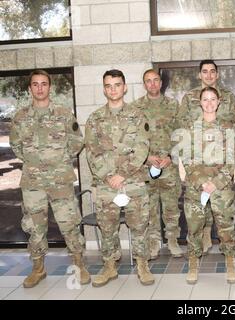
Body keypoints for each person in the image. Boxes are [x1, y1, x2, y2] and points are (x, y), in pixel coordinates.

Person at [10, 69, 89, 288]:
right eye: (35, 84)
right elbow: (16, 145)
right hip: (33, 182)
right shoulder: (20, 117)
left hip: (60, 180)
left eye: (44, 84)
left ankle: (79, 264)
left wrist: (61, 159)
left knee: (69, 224)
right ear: (30, 88)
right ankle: (38, 268)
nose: (40, 88)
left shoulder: (63, 114)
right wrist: (35, 160)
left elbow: (77, 141)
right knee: (34, 227)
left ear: (49, 87)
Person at [85, 69, 153, 287]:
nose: (113, 89)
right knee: (107, 226)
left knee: (140, 225)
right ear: (104, 89)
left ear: (124, 87)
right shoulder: (95, 118)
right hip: (106, 184)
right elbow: (91, 152)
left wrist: (123, 173)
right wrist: (108, 176)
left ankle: (142, 264)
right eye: (108, 85)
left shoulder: (137, 115)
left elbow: (142, 148)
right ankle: (109, 266)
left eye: (117, 84)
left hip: (132, 182)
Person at [178, 60, 235, 254]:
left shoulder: (228, 96)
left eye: (213, 71)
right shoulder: (189, 98)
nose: (209, 75)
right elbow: (182, 127)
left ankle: (227, 253)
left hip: (221, 161)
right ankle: (203, 238)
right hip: (198, 163)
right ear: (199, 74)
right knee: (197, 215)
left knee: (224, 218)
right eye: (205, 72)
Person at [131, 69, 183, 259]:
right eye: (148, 81)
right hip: (147, 167)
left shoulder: (173, 105)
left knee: (171, 207)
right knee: (150, 208)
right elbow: (133, 139)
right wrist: (146, 158)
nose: (152, 84)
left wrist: (172, 157)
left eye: (155, 80)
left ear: (161, 83)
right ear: (144, 85)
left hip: (169, 165)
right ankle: (154, 243)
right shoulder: (135, 108)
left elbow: (180, 135)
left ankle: (172, 241)